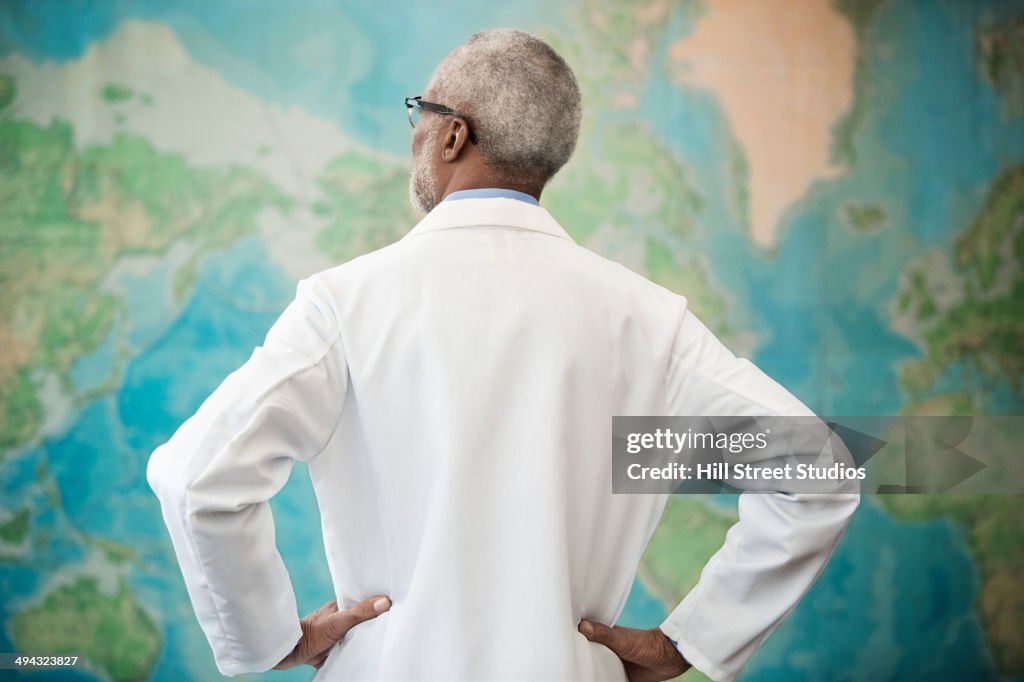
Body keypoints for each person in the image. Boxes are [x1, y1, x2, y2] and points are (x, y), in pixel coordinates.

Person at [148, 28, 859, 681]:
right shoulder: (648, 322)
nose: (414, 135)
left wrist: (269, 638)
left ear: (453, 134)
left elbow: (199, 477)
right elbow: (820, 470)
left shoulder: (346, 305)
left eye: (418, 114)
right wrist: (692, 643)